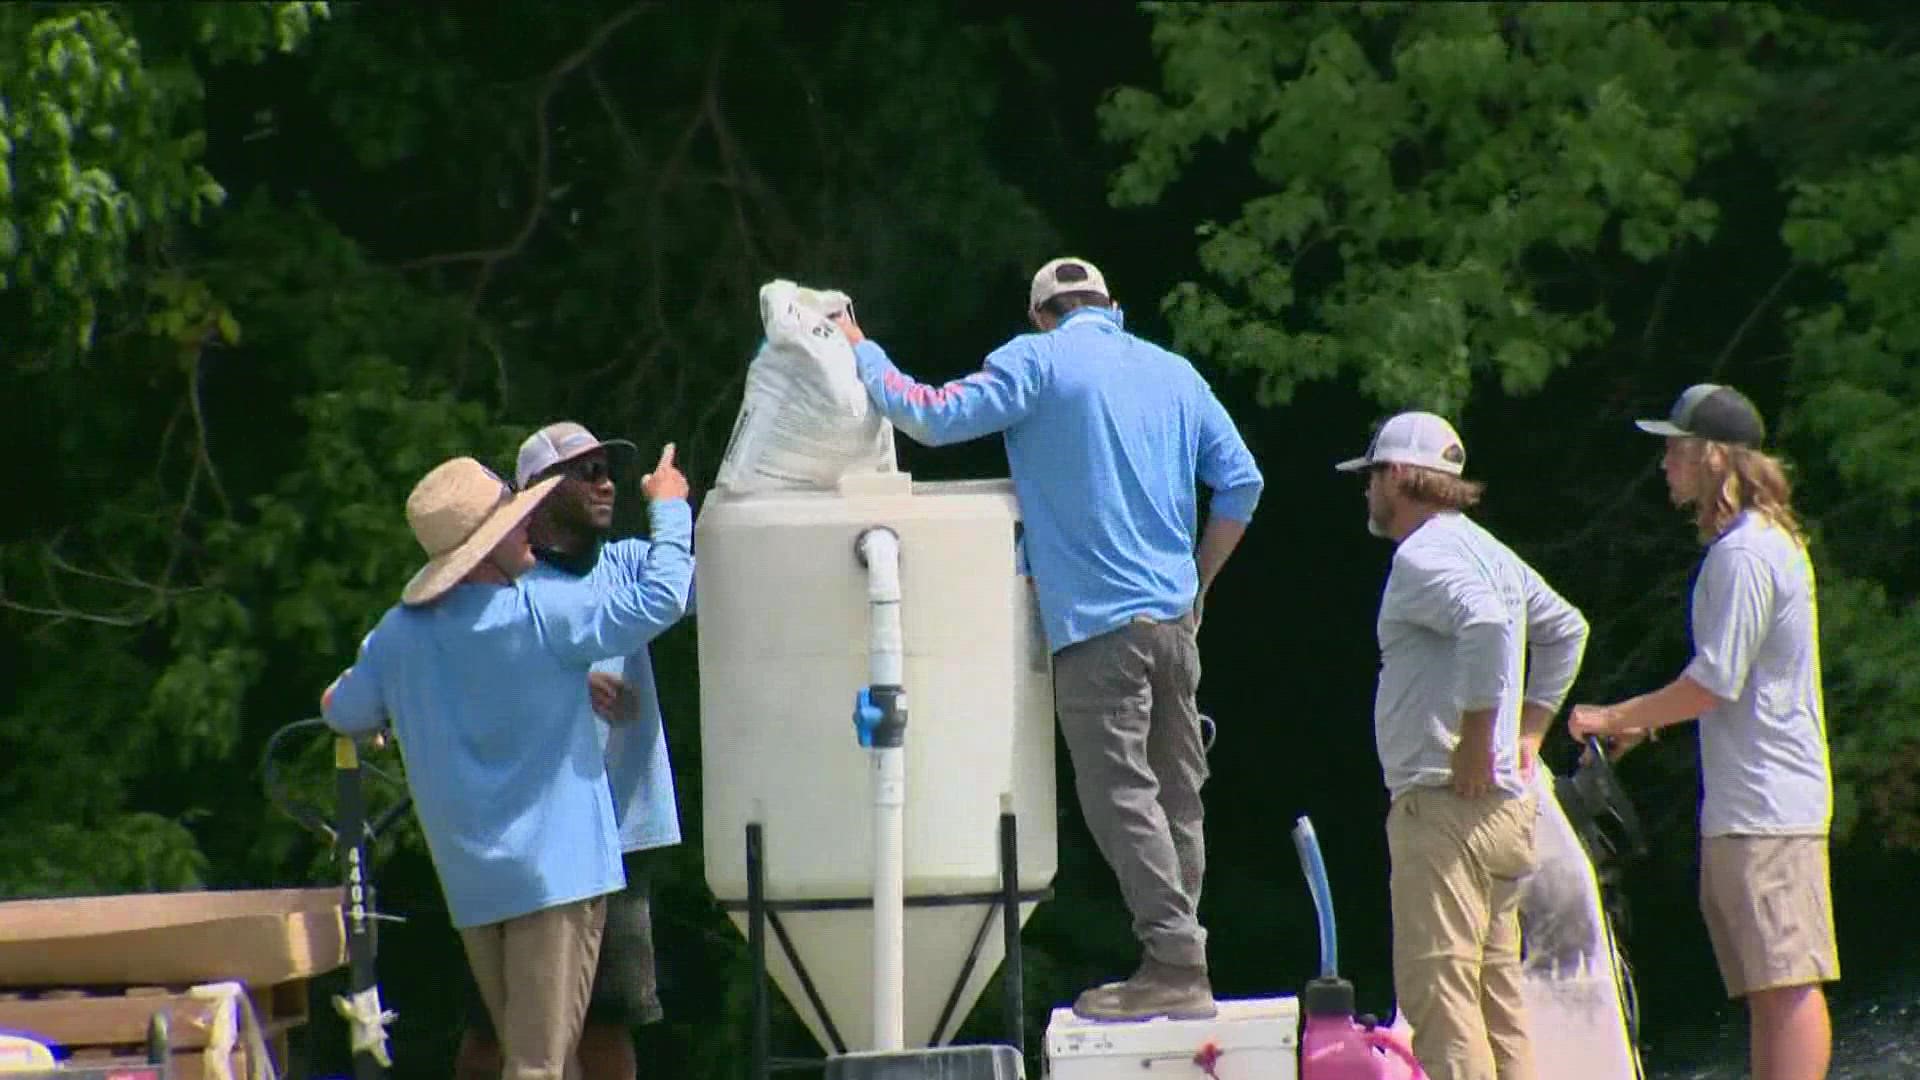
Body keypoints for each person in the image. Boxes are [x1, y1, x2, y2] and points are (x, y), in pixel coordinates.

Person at [829, 257, 1264, 1022]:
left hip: (1098, 631)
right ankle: (1182, 960)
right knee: (1178, 800)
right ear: (1111, 306)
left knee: (1121, 796)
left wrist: (864, 348)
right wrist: (1200, 585)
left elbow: (928, 416)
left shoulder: (1036, 360)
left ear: (1041, 316)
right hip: (1173, 629)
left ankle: (1173, 964)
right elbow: (1242, 485)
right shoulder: (1173, 372)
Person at [322, 445, 692, 1080]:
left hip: (475, 884)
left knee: (534, 1060)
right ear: (482, 548)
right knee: (538, 1066)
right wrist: (671, 509)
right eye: (512, 521)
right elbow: (661, 598)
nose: (528, 524)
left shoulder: (397, 635)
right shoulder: (543, 611)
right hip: (559, 878)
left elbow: (342, 709)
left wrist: (381, 709)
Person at [1571, 383, 1837, 1080]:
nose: (1665, 463)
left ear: (1714, 456)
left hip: (1768, 804)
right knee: (1764, 984)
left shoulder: (1746, 554)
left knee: (1783, 981)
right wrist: (1646, 729)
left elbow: (1714, 681)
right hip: (1749, 803)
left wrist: (1615, 717)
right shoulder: (1748, 548)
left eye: (1675, 449)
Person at [1337, 410, 1588, 1080]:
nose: (1366, 493)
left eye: (1370, 478)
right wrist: (1530, 730)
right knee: (1495, 998)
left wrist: (1479, 737)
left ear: (1396, 476)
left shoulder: (1420, 557)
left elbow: (1483, 625)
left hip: (1444, 806)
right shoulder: (1486, 548)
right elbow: (1567, 628)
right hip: (1505, 812)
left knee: (1441, 1001)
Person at [452, 422, 695, 1080]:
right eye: (586, 472)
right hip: (526, 837)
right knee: (493, 1030)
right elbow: (462, 672)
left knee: (607, 1028)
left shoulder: (628, 565)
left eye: (607, 469)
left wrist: (679, 515)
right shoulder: (502, 586)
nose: (607, 482)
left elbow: (683, 592)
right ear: (535, 494)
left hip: (618, 835)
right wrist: (556, 674)